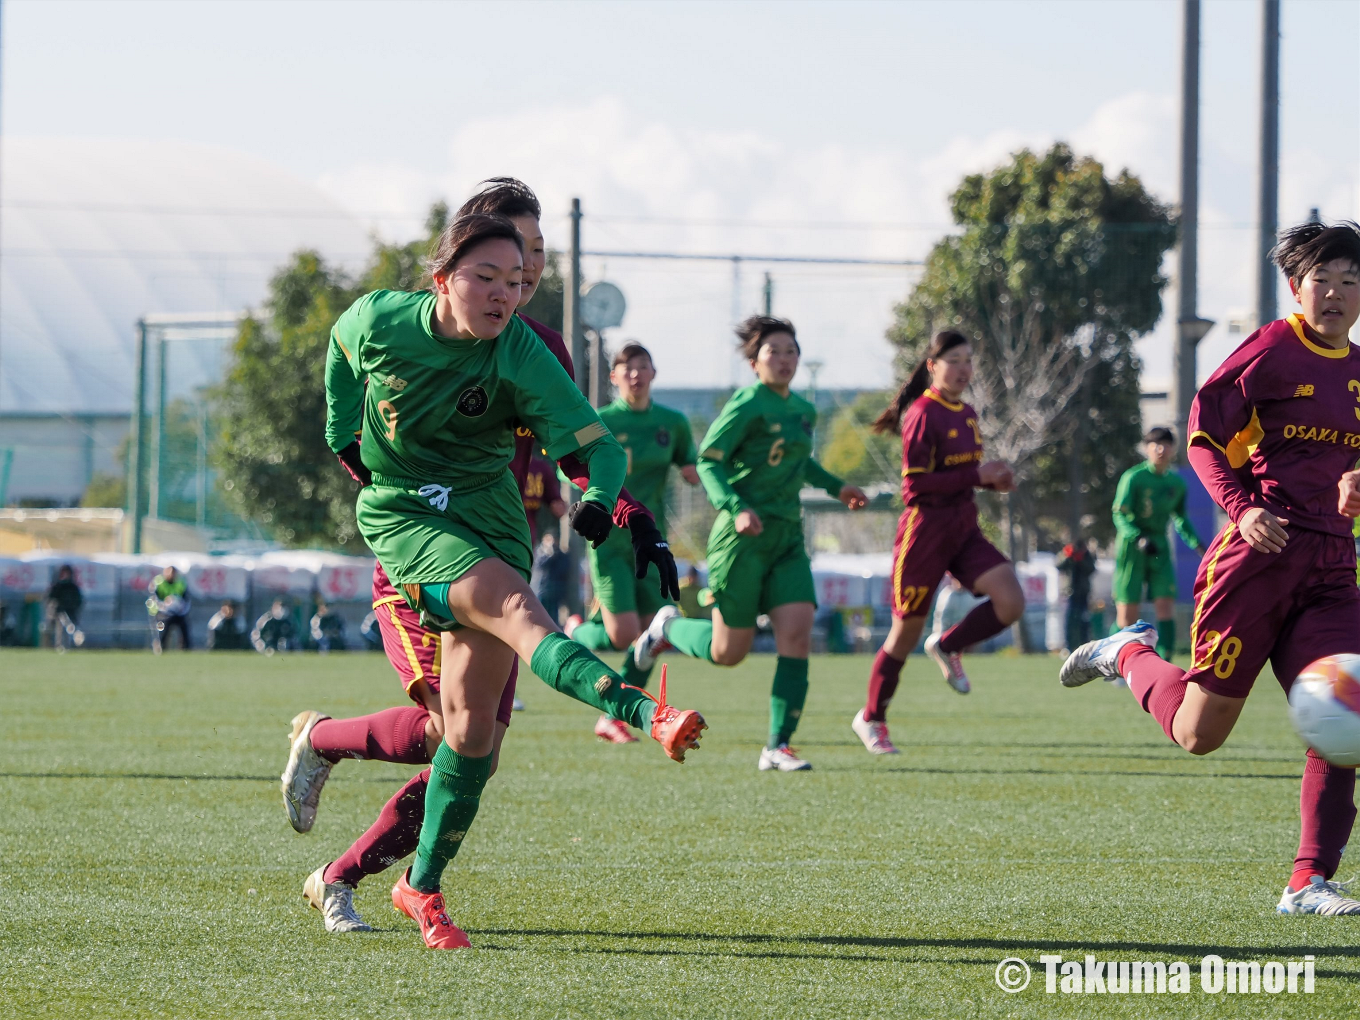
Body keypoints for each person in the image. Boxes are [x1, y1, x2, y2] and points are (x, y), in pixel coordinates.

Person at [283, 180, 681, 939]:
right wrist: (343, 438)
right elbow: (342, 344)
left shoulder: (536, 349)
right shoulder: (386, 322)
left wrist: (627, 514)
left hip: (492, 536)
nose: (518, 278)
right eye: (505, 261)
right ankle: (348, 844)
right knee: (450, 731)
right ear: (451, 268)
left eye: (529, 264)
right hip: (415, 549)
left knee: (471, 748)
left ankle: (341, 805)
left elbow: (583, 450)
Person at [1059, 220, 1360, 916]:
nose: (1338, 293)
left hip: (1332, 564)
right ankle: (1127, 653)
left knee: (1345, 709)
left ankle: (1307, 882)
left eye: (1350, 280)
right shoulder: (1271, 352)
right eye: (1324, 280)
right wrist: (1242, 507)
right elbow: (1201, 434)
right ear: (1296, 287)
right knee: (1200, 734)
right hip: (1258, 559)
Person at [634, 315, 867, 772]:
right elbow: (708, 461)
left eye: (791, 351)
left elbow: (801, 465)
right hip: (740, 540)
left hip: (786, 537)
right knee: (729, 652)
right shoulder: (747, 405)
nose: (784, 360)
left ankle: (778, 746)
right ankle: (667, 629)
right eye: (773, 352)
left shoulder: (803, 410)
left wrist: (838, 487)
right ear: (754, 361)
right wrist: (736, 506)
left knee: (797, 634)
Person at [850, 330, 1024, 757]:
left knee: (1011, 600)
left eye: (968, 360)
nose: (964, 368)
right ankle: (871, 718)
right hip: (924, 532)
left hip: (963, 526)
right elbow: (915, 487)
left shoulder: (966, 412)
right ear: (932, 365)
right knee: (904, 634)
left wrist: (991, 481)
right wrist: (977, 476)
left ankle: (948, 644)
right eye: (954, 360)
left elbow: (965, 475)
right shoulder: (922, 414)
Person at [566, 341, 700, 743]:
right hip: (609, 540)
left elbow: (692, 466)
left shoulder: (672, 423)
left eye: (643, 367)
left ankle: (614, 716)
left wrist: (705, 475)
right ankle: (577, 632)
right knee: (625, 635)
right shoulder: (599, 420)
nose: (636, 375)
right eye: (628, 368)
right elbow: (569, 465)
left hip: (650, 540)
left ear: (654, 374)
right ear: (614, 377)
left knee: (655, 633)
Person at [1112, 427, 1206, 659]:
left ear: (1174, 449)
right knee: (1127, 613)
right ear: (1146, 449)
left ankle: (1166, 661)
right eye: (1155, 445)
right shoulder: (1133, 477)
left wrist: (1199, 545)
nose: (1161, 449)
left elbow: (1181, 519)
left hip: (1159, 546)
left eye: (1166, 444)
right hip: (1132, 545)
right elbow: (1119, 513)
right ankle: (1114, 659)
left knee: (1165, 604)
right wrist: (1137, 536)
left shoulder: (1177, 483)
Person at [1056, 538, 1098, 652]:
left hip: (1083, 594)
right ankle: (1069, 646)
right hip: (1070, 593)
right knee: (1070, 621)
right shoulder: (1066, 555)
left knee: (1084, 621)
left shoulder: (1087, 556)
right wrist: (1069, 557)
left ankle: (1085, 646)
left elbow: (1091, 569)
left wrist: (1081, 559)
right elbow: (1059, 566)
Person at [520, 452, 565, 545]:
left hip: (527, 535)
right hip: (500, 532)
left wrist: (559, 506)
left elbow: (555, 500)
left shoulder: (541, 468)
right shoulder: (501, 465)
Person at [147, 565, 191, 653]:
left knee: (185, 627)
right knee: (163, 627)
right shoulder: (158, 582)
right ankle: (161, 647)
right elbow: (153, 599)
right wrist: (164, 605)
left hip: (177, 612)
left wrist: (178, 606)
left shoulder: (180, 582)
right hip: (162, 612)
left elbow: (186, 600)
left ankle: (185, 648)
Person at [530, 531, 570, 625]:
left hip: (554, 593)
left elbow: (563, 569)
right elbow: (540, 564)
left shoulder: (561, 555)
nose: (552, 543)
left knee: (553, 619)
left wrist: (555, 554)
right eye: (548, 540)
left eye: (554, 540)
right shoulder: (539, 553)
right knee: (538, 618)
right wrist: (549, 553)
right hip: (540, 591)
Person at [45, 564, 84, 649]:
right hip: (59, 613)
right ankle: (60, 646)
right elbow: (50, 599)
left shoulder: (73, 587)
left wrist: (74, 607)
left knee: (73, 629)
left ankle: (72, 645)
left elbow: (78, 600)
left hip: (72, 613)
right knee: (61, 627)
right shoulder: (57, 586)